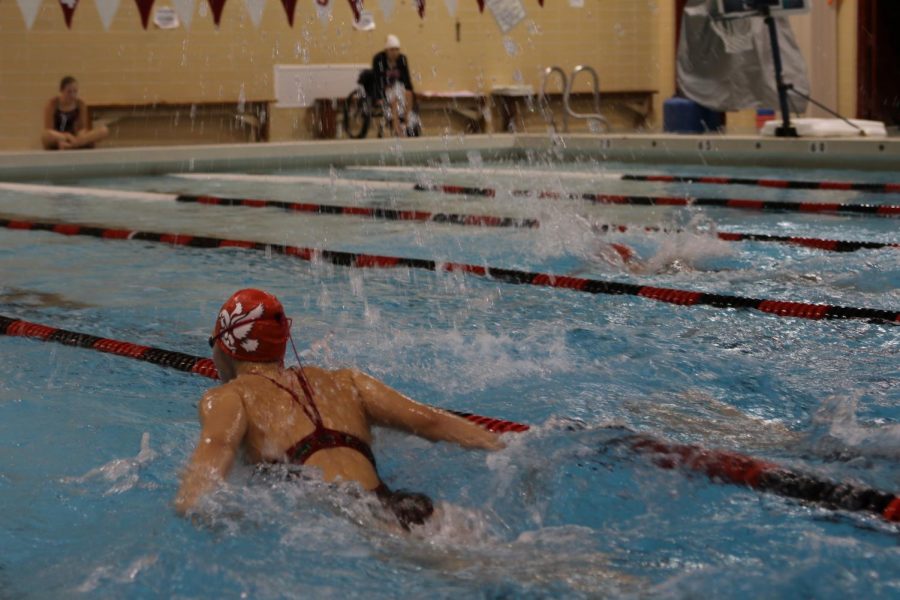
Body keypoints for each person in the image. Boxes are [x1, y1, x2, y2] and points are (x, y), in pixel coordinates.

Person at [175, 289, 504, 529]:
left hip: (353, 521)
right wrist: (499, 446)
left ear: (224, 346)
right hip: (405, 504)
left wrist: (190, 505)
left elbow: (216, 449)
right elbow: (431, 421)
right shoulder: (346, 382)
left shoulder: (228, 397)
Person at [41, 76, 109, 150]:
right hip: (59, 137)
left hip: (76, 138)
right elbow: (49, 129)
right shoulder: (52, 104)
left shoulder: (80, 104)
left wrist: (79, 138)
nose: (72, 95)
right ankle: (71, 144)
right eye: (69, 92)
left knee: (104, 130)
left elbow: (82, 129)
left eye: (75, 91)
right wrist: (65, 136)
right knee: (45, 135)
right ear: (61, 91)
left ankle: (72, 145)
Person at [372, 35, 415, 137]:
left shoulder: (402, 59)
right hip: (385, 90)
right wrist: (378, 97)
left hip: (399, 89)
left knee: (408, 93)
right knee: (394, 97)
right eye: (392, 50)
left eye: (396, 50)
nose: (394, 52)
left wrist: (411, 92)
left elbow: (407, 80)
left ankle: (406, 120)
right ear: (386, 50)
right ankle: (396, 127)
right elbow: (377, 79)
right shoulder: (379, 59)